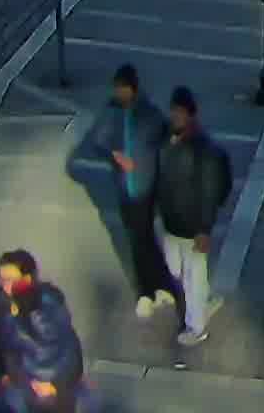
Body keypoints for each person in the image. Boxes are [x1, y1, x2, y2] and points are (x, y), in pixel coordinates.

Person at [68, 65, 171, 314]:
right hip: (126, 188)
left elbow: (167, 138)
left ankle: (156, 287)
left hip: (146, 187)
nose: (118, 93)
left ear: (133, 89)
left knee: (143, 238)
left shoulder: (149, 113)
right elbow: (97, 142)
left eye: (122, 89)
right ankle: (150, 290)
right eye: (117, 89)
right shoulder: (112, 113)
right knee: (139, 239)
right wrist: (114, 155)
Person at [152, 87, 235, 345]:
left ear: (191, 115)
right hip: (171, 222)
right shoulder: (166, 139)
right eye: (173, 111)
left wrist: (204, 228)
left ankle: (196, 326)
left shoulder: (204, 150)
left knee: (192, 276)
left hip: (192, 227)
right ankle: (203, 299)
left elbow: (211, 192)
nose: (175, 116)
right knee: (175, 271)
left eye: (180, 112)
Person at [0, 250, 84, 411]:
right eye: (2, 279)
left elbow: (68, 350)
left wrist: (55, 386)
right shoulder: (4, 309)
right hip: (28, 390)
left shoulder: (49, 309)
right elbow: (8, 350)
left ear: (28, 280)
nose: (4, 285)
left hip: (56, 389)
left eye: (10, 280)